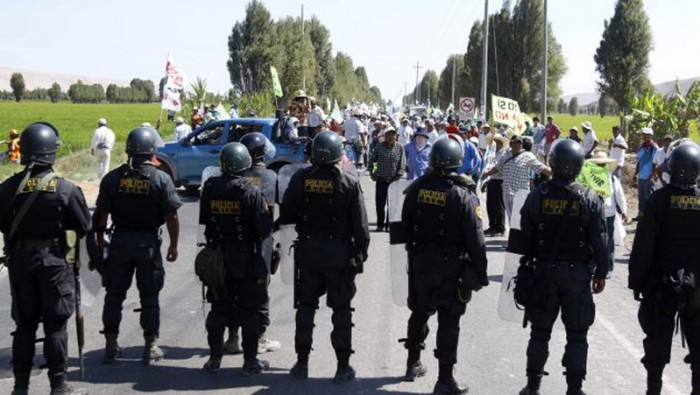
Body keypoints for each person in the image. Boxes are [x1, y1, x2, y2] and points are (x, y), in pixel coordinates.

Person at [508, 139, 608, 395]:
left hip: (544, 273)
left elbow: (524, 237)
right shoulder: (589, 198)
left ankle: (532, 387)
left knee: (539, 333)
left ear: (552, 163)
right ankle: (574, 390)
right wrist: (600, 274)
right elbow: (600, 241)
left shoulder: (536, 195)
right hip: (577, 276)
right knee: (577, 335)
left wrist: (527, 268)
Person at [0, 122, 91, 395]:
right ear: (52, 151)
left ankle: (20, 387)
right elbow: (84, 226)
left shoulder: (6, 188)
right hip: (54, 262)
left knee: (25, 325)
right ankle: (58, 385)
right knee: (55, 325)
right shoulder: (65, 189)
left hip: (19, 261)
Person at [279, 131, 370, 384]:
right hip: (339, 257)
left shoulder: (299, 179)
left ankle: (301, 363)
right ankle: (342, 367)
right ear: (337, 155)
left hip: (308, 254)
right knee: (341, 311)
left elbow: (287, 214)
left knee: (306, 308)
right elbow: (360, 227)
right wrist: (361, 253)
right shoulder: (349, 183)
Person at [400, 137, 488, 394]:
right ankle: (445, 379)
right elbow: (476, 240)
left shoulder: (416, 188)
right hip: (451, 268)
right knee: (449, 322)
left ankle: (412, 363)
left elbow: (403, 227)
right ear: (457, 163)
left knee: (419, 313)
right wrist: (480, 275)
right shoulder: (463, 194)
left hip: (420, 264)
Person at [94, 127, 182, 365]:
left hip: (119, 243)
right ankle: (151, 346)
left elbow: (101, 215)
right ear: (152, 150)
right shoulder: (161, 178)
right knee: (150, 296)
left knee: (113, 296)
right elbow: (172, 216)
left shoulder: (112, 178)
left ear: (128, 150)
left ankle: (110, 346)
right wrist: (174, 245)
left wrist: (100, 242)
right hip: (148, 245)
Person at [628, 142, 700, 395]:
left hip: (661, 286)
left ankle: (653, 391)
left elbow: (643, 248)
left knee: (656, 346)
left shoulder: (658, 201)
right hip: (696, 287)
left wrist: (636, 283)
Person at [199, 142, 273, 375]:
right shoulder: (251, 191)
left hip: (218, 257)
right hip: (246, 258)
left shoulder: (210, 187)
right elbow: (264, 229)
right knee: (250, 310)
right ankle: (250, 362)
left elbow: (206, 222)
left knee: (218, 308)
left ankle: (214, 360)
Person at [220, 132, 281, 356]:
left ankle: (233, 337)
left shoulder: (231, 176)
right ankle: (260, 338)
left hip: (230, 242)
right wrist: (273, 230)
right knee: (259, 291)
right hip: (260, 244)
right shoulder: (271, 177)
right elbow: (279, 214)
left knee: (231, 289)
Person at [482, 135, 552, 220]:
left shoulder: (527, 156)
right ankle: (513, 233)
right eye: (514, 143)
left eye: (519, 143)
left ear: (522, 145)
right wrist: (486, 174)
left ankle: (519, 233)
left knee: (519, 220)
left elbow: (541, 167)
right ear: (511, 144)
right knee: (511, 219)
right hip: (507, 192)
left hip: (520, 194)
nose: (517, 145)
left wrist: (555, 173)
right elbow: (497, 168)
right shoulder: (505, 156)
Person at [587, 150, 628, 276]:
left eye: (602, 164)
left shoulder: (612, 179)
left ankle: (608, 268)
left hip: (609, 214)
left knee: (608, 242)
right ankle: (592, 266)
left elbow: (619, 195)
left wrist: (624, 211)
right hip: (593, 214)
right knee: (592, 241)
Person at [369, 128, 406, 232]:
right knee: (380, 204)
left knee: (392, 205)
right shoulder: (379, 147)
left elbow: (402, 163)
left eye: (393, 135)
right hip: (381, 180)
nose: (391, 137)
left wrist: (398, 175)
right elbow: (371, 160)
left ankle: (389, 225)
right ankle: (380, 225)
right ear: (385, 136)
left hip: (394, 180)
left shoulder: (400, 148)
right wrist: (372, 172)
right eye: (388, 135)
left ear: (396, 136)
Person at [482, 134, 509, 237]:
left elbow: (497, 168)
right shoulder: (491, 154)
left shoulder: (503, 154)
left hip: (499, 181)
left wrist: (487, 174)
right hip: (491, 181)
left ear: (501, 144)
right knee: (490, 205)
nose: (496, 144)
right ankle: (492, 225)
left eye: (498, 143)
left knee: (499, 206)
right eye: (495, 142)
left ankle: (500, 228)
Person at [634, 127, 659, 220]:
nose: (644, 136)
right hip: (641, 175)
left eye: (646, 134)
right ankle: (641, 214)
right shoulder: (642, 146)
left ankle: (649, 215)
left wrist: (652, 175)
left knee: (649, 197)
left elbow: (655, 163)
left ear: (651, 135)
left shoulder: (654, 147)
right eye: (643, 134)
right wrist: (635, 174)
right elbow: (639, 161)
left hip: (649, 176)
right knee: (641, 197)